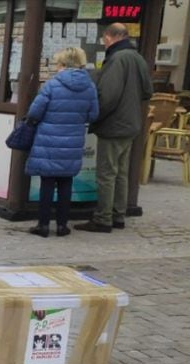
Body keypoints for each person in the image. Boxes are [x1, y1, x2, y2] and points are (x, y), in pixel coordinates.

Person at [75, 23, 152, 233]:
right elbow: (147, 91)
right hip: (131, 124)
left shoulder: (117, 59)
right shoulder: (138, 57)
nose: (104, 42)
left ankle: (103, 218)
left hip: (114, 125)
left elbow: (107, 96)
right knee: (121, 173)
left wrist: (94, 116)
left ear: (110, 37)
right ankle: (119, 215)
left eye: (104, 39)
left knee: (107, 173)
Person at [25, 47, 98, 238]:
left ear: (63, 64)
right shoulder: (89, 86)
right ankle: (62, 226)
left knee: (47, 183)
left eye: (58, 63)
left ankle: (43, 225)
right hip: (73, 140)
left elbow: (34, 112)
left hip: (48, 139)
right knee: (66, 182)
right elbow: (94, 114)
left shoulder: (52, 84)